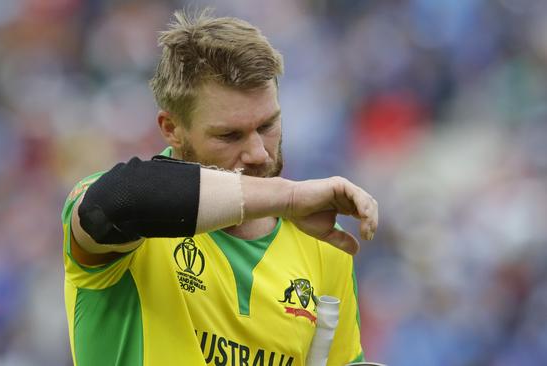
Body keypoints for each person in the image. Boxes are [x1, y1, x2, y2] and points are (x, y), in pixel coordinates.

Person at [61, 9, 378, 366]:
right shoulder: (127, 221)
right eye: (230, 135)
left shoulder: (324, 244)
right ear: (171, 128)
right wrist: (288, 196)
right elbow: (122, 200)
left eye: (268, 125)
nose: (258, 153)